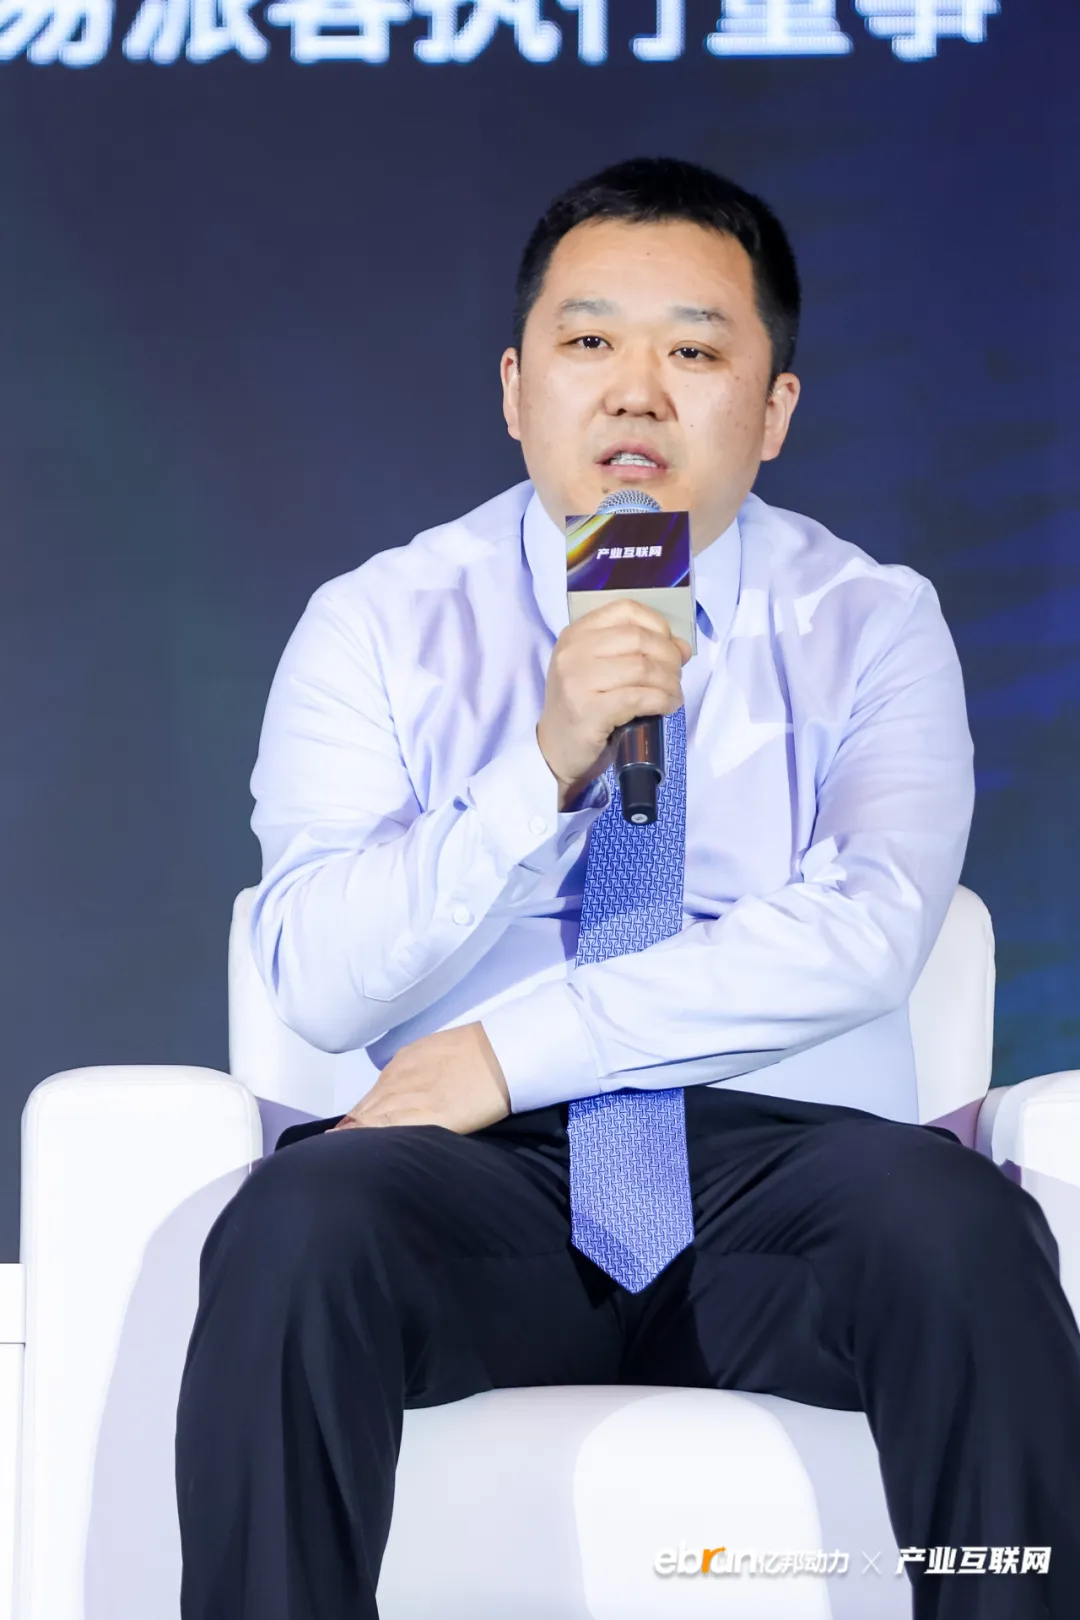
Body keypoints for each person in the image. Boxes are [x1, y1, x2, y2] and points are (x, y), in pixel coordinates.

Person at [174, 157, 1080, 1619]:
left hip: (784, 1169)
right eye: (590, 342)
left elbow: (864, 933)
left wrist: (511, 1047)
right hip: (467, 1178)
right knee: (297, 1228)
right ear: (517, 388)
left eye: (696, 353)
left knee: (962, 1228)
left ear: (773, 410)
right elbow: (318, 981)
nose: (637, 395)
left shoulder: (874, 621)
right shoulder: (376, 623)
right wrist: (542, 766)